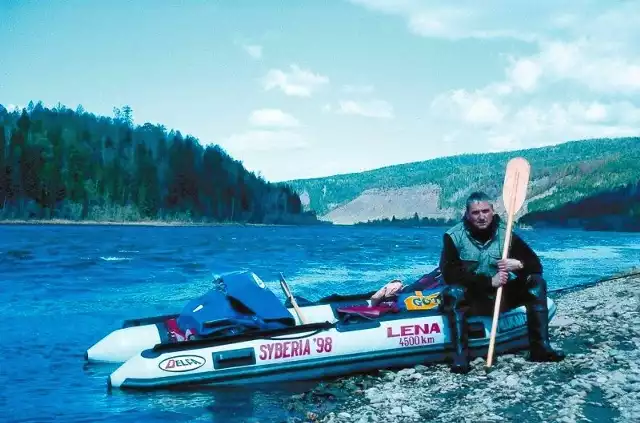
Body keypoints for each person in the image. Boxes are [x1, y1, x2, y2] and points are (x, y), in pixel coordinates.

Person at [440, 191, 565, 373]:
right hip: (474, 298)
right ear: (467, 214)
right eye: (476, 213)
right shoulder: (453, 236)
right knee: (453, 292)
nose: (481, 217)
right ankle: (460, 357)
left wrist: (519, 264)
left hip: (502, 298)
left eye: (485, 211)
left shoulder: (505, 234)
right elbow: (450, 274)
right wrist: (489, 282)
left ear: (492, 211)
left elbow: (535, 265)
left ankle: (540, 349)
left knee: (536, 282)